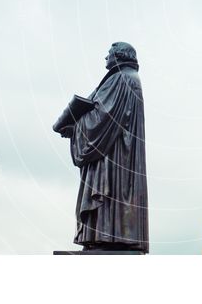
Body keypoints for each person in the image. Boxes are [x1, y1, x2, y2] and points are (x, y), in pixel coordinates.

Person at [53, 42, 148, 252]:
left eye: (108, 54)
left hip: (112, 155)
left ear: (119, 55)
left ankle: (106, 236)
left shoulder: (121, 78)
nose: (105, 58)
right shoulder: (125, 78)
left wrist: (75, 126)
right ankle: (102, 236)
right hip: (115, 151)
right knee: (111, 198)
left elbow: (103, 117)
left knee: (108, 195)